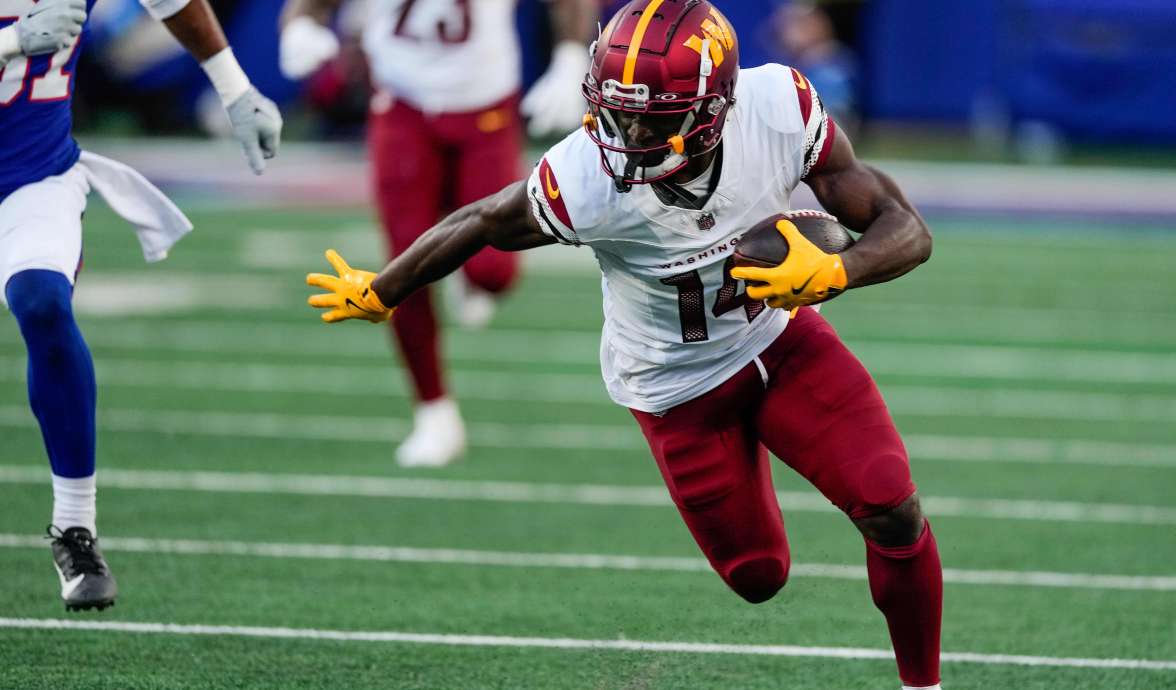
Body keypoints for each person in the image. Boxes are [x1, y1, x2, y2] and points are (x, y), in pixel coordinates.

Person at [306, 1, 941, 687]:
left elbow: (904, 227)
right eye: (620, 111)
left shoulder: (777, 108)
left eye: (654, 118)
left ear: (717, 108)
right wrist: (385, 290)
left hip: (782, 343)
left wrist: (839, 270)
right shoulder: (587, 177)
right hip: (675, 388)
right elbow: (483, 219)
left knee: (890, 504)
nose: (629, 133)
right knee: (757, 577)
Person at [0, 0, 282, 610]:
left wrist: (235, 90)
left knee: (43, 302)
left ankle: (75, 529)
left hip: (31, 177)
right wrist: (10, 42)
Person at [280, 0, 597, 467]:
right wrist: (299, 26)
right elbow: (307, 6)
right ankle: (433, 409)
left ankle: (466, 267)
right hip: (402, 103)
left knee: (495, 270)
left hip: (485, 102)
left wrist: (572, 55)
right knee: (405, 264)